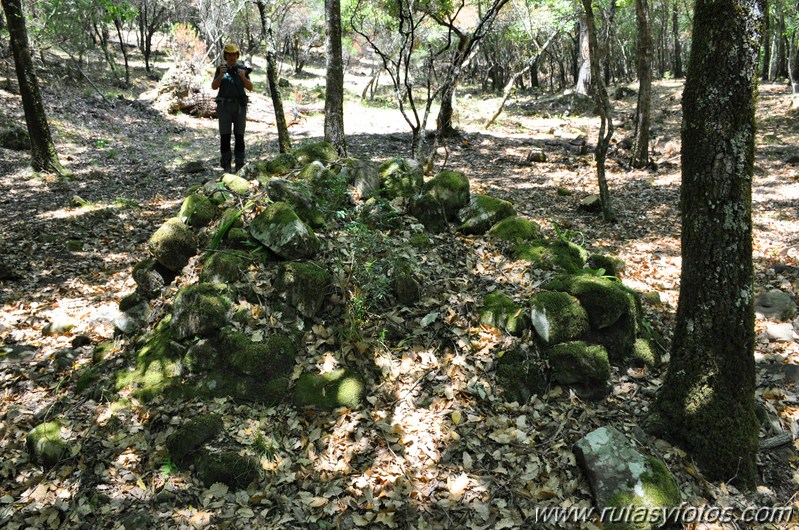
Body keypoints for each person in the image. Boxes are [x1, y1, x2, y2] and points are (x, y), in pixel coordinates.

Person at [212, 43, 253, 173]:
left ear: (237, 55)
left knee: (239, 135)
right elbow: (214, 86)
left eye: (233, 54)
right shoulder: (221, 69)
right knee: (225, 135)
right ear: (225, 56)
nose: (231, 57)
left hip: (239, 107)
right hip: (224, 106)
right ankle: (226, 163)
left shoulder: (242, 69)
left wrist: (242, 76)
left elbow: (250, 87)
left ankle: (240, 163)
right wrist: (220, 75)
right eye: (229, 54)